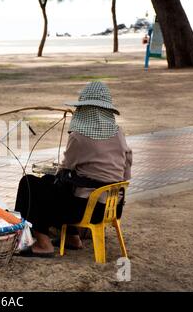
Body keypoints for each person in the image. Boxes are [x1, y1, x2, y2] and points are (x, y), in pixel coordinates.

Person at [15, 81, 132, 257]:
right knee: (56, 185)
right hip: (112, 208)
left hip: (85, 210)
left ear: (84, 109)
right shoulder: (118, 133)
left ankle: (43, 243)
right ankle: (73, 238)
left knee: (30, 184)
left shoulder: (79, 137)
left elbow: (65, 168)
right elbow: (126, 170)